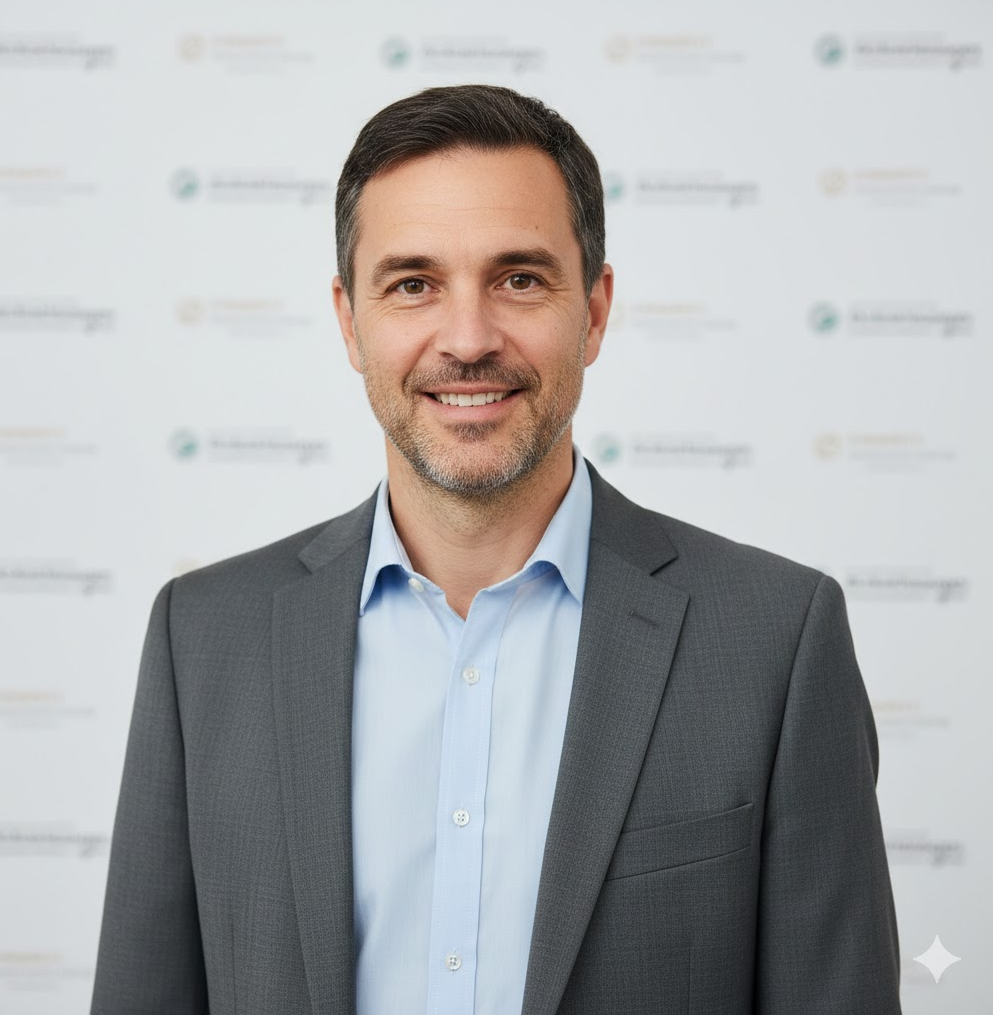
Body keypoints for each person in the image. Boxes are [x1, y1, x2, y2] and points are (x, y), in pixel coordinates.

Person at [91, 85, 901, 1015]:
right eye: (413, 284)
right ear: (350, 322)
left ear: (594, 311)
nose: (469, 340)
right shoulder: (203, 640)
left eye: (519, 279)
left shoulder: (774, 641)